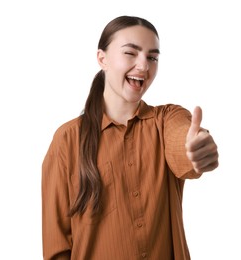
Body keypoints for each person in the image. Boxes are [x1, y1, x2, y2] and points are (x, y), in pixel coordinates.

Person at [42, 15, 219, 260]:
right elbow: (56, 247)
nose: (144, 65)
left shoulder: (166, 119)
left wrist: (195, 149)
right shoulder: (67, 140)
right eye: (130, 53)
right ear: (102, 58)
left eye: (152, 57)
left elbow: (182, 140)